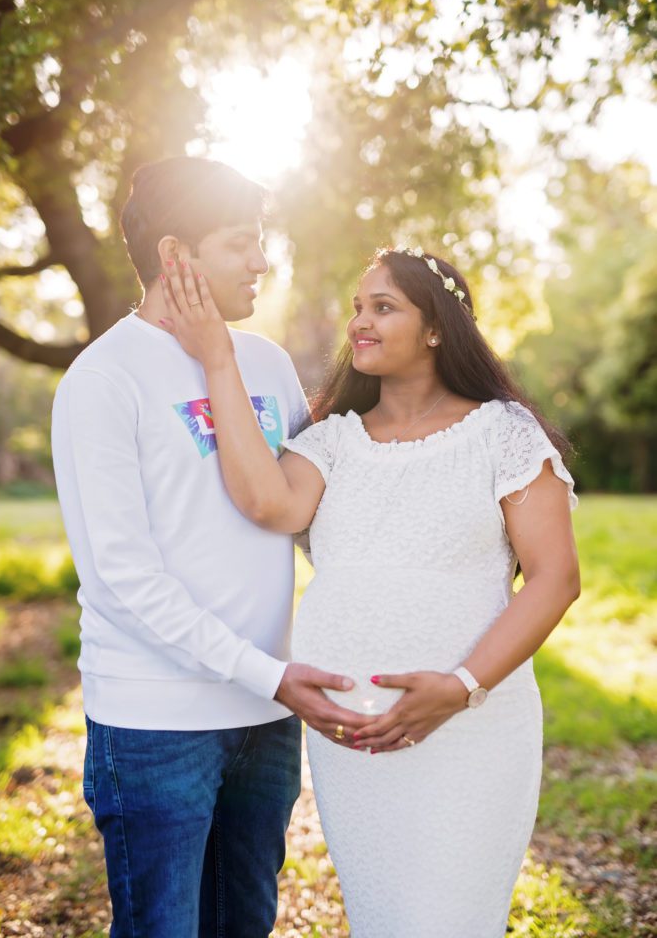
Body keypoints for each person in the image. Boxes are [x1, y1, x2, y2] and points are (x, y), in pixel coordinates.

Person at [158, 244, 581, 938]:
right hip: (354, 739)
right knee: (384, 917)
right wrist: (217, 359)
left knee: (452, 919)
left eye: (384, 307)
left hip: (473, 727)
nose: (360, 321)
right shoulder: (331, 440)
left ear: (438, 327)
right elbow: (268, 504)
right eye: (358, 306)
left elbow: (556, 580)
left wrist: (461, 685)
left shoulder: (502, 434)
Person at [50, 156, 376, 938]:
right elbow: (123, 579)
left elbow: (310, 514)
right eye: (242, 242)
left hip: (268, 714)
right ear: (176, 256)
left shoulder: (263, 364)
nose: (263, 260)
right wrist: (270, 675)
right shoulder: (103, 380)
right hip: (156, 724)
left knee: (245, 924)